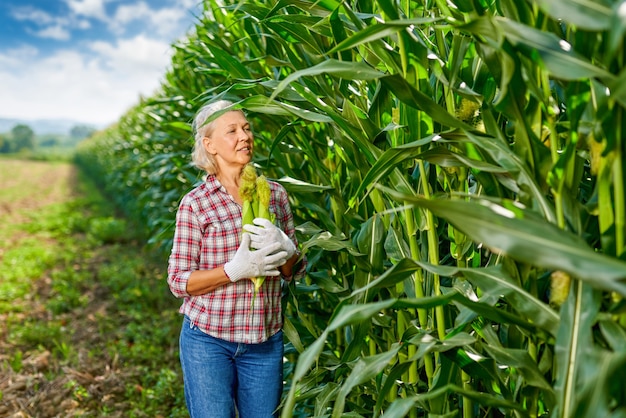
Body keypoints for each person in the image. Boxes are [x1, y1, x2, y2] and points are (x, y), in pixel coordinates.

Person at [167, 100, 306, 418]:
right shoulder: (196, 204)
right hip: (208, 341)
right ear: (209, 145)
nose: (244, 136)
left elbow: (293, 271)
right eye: (232, 131)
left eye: (246, 128)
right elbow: (178, 281)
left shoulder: (274, 195)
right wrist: (233, 270)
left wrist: (287, 248)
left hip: (264, 342)